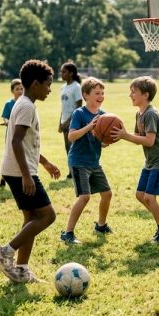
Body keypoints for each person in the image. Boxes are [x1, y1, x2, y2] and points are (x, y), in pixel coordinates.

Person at [0, 60, 61, 282]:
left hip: (19, 169)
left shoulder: (25, 103)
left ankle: (21, 268)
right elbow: (16, 141)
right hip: (20, 172)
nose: (50, 89)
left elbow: (26, 143)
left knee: (31, 218)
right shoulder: (26, 106)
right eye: (48, 84)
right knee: (48, 216)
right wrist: (27, 175)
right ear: (35, 83)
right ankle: (5, 252)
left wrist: (45, 162)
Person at [111, 76, 159, 243]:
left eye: (134, 92)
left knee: (149, 198)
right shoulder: (139, 114)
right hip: (151, 161)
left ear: (145, 95)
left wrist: (125, 136)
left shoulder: (150, 114)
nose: (130, 95)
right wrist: (117, 137)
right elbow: (138, 137)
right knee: (140, 195)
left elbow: (149, 140)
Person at [60, 77, 114, 244]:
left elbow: (103, 143)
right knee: (85, 197)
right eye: (97, 93)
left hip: (94, 162)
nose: (101, 96)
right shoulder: (79, 114)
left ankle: (101, 225)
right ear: (85, 95)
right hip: (78, 161)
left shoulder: (104, 116)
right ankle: (68, 233)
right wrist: (89, 127)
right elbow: (72, 136)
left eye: (102, 93)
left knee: (107, 194)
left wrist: (107, 138)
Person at [59, 62, 83, 179]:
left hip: (73, 122)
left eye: (64, 71)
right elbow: (63, 107)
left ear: (71, 73)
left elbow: (79, 107)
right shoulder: (62, 87)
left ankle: (77, 171)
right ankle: (71, 171)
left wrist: (68, 122)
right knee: (67, 147)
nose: (61, 74)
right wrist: (60, 122)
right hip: (64, 122)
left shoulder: (77, 87)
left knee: (73, 147)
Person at [0, 78, 23, 188]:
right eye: (17, 89)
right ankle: (3, 178)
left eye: (21, 88)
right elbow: (5, 117)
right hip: (11, 135)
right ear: (12, 91)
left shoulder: (25, 103)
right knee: (9, 156)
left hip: (22, 135)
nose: (20, 91)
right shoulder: (9, 104)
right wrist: (8, 122)